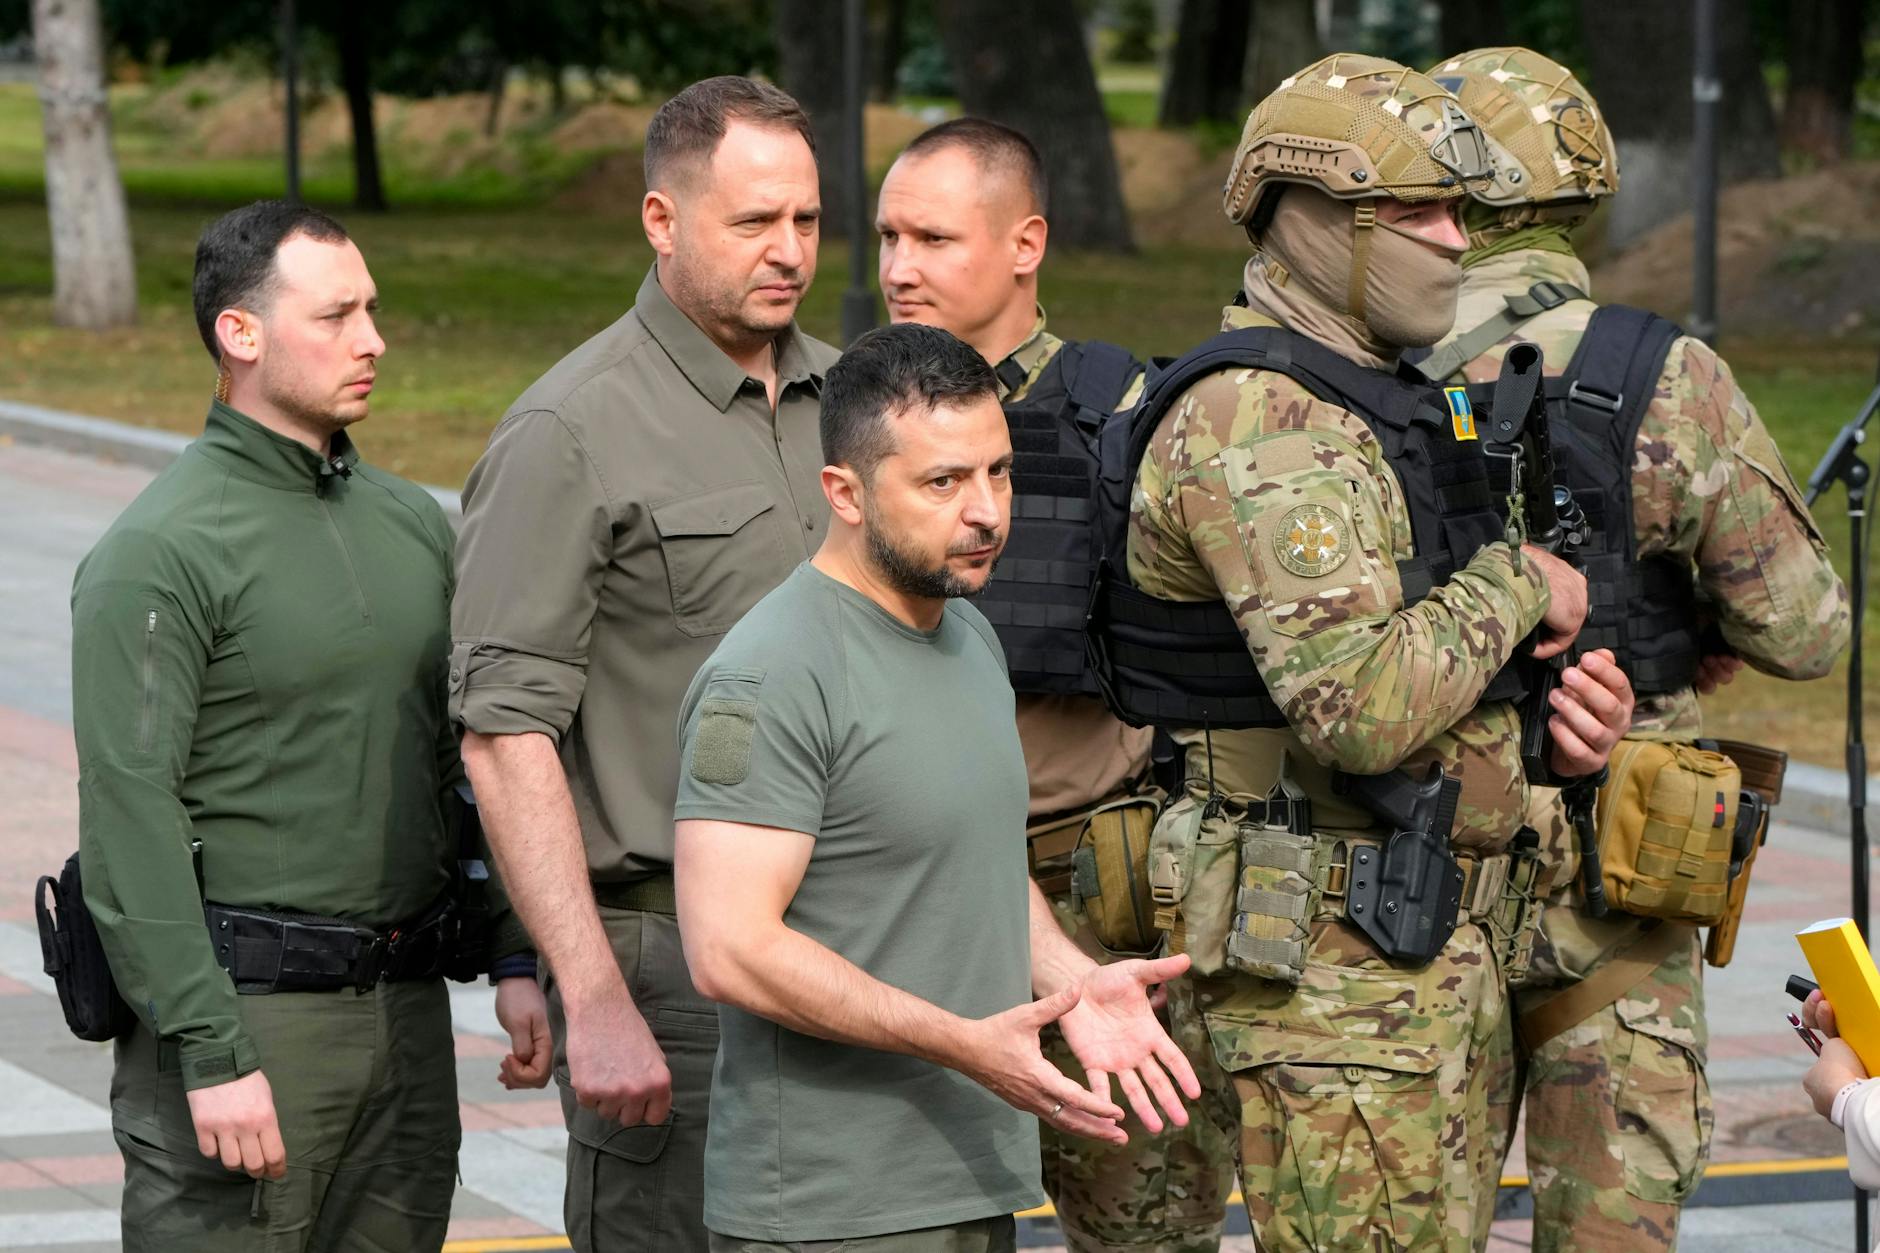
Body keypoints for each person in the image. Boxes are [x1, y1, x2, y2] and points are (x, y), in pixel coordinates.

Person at [1108, 55, 1636, 1250]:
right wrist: (1521, 581)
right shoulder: (1260, 418)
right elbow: (1355, 702)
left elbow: (1434, 648)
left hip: (1420, 957)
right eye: (1419, 210)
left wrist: (1561, 715)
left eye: (1461, 210)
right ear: (1312, 222)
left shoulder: (1378, 403)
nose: (1455, 242)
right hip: (1331, 980)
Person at [1421, 46, 1853, 1251]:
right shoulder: (1658, 373)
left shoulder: (1340, 365)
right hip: (1614, 871)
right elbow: (1806, 629)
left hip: (1397, 872)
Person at [673, 321, 1200, 1253]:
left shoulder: (970, 635)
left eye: (997, 471)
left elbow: (979, 863)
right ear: (845, 491)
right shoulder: (771, 672)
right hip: (832, 1212)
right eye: (943, 482)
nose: (989, 511)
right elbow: (730, 948)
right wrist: (966, 1042)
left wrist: (1073, 982)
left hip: (968, 1177)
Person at [72, 200, 536, 1252]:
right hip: (251, 1021)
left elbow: (457, 757)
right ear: (240, 334)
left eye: (372, 309)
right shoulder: (160, 549)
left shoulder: (413, 522)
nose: (373, 339)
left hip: (409, 1020)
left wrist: (514, 955)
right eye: (335, 315)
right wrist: (209, 1046)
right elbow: (128, 808)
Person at [450, 76, 837, 1252]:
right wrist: (596, 997)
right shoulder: (567, 432)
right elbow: (503, 736)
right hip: (674, 969)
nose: (788, 252)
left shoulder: (855, 400)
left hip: (859, 946)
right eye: (752, 222)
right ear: (661, 222)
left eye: (808, 222)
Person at [876, 118, 1232, 1253]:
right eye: (886, 236)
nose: (897, 266)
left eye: (932, 237)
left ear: (1025, 242)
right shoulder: (848, 417)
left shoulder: (1131, 415)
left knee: (1143, 1224)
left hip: (1092, 888)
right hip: (904, 895)